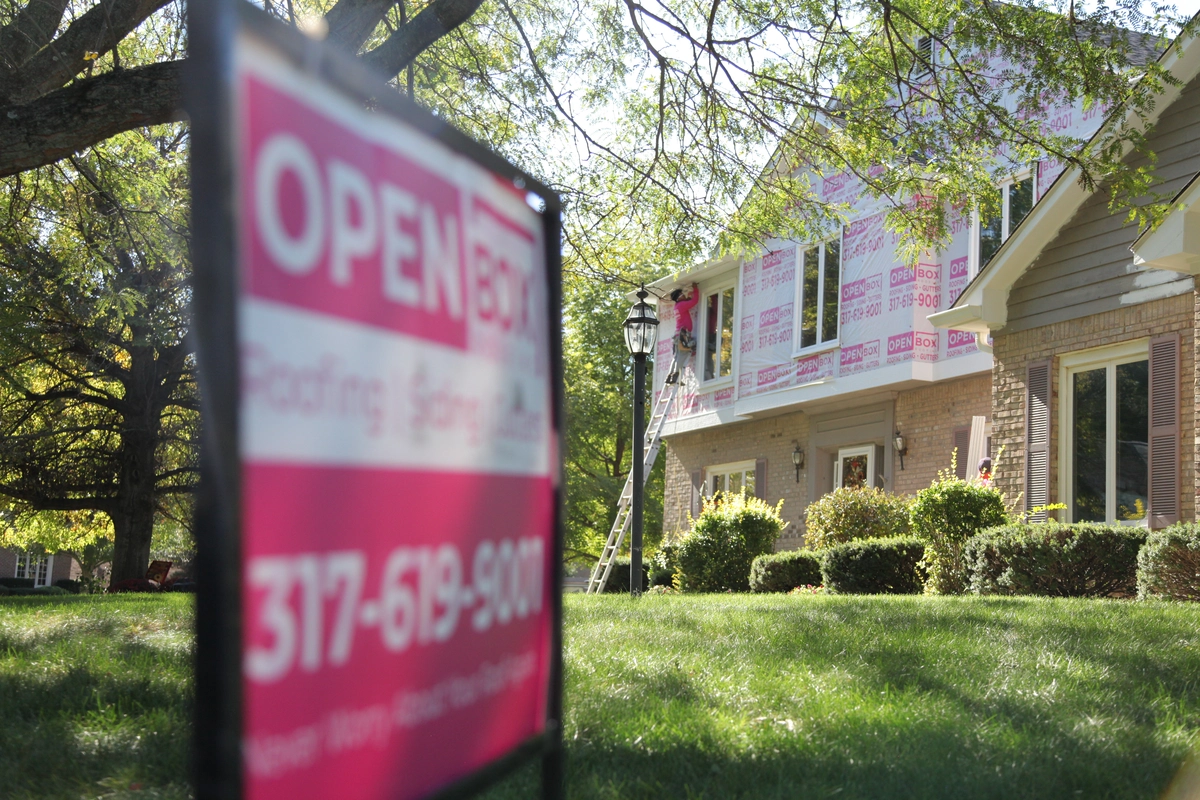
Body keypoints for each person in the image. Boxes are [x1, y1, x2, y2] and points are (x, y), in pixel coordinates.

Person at [665, 284, 698, 384]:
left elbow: (687, 302)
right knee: (682, 355)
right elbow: (694, 301)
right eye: (682, 294)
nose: (684, 295)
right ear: (679, 297)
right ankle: (675, 376)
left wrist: (687, 298)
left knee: (676, 356)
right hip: (682, 335)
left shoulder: (677, 306)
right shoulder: (681, 305)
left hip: (678, 335)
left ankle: (670, 375)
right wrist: (696, 290)